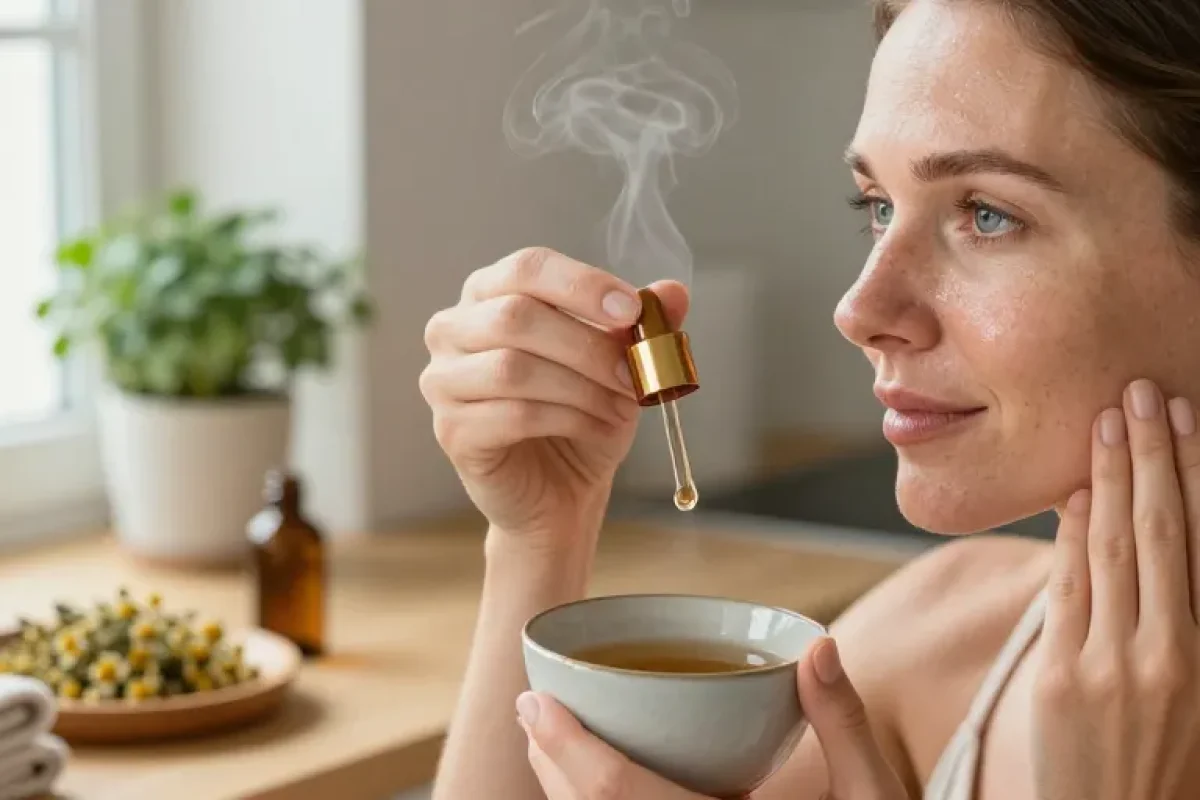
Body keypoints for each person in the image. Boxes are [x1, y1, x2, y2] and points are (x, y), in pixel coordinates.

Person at [419, 0, 1200, 797]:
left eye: (987, 214)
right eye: (879, 207)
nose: (858, 311)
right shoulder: (938, 639)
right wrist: (540, 539)